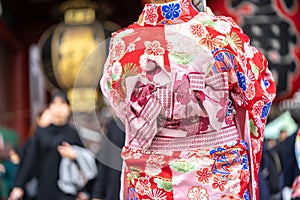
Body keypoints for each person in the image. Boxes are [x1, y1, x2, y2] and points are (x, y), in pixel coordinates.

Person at [100, 0, 276, 199]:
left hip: (151, 176)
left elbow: (118, 104)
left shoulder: (122, 43)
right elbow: (258, 90)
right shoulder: (220, 32)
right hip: (216, 173)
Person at [9, 90, 97, 200]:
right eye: (55, 104)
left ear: (69, 108)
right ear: (49, 108)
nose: (58, 108)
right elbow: (29, 161)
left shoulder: (73, 134)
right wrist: (19, 185)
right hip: (44, 189)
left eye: (62, 104)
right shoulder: (41, 133)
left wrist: (74, 155)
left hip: (68, 192)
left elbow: (86, 163)